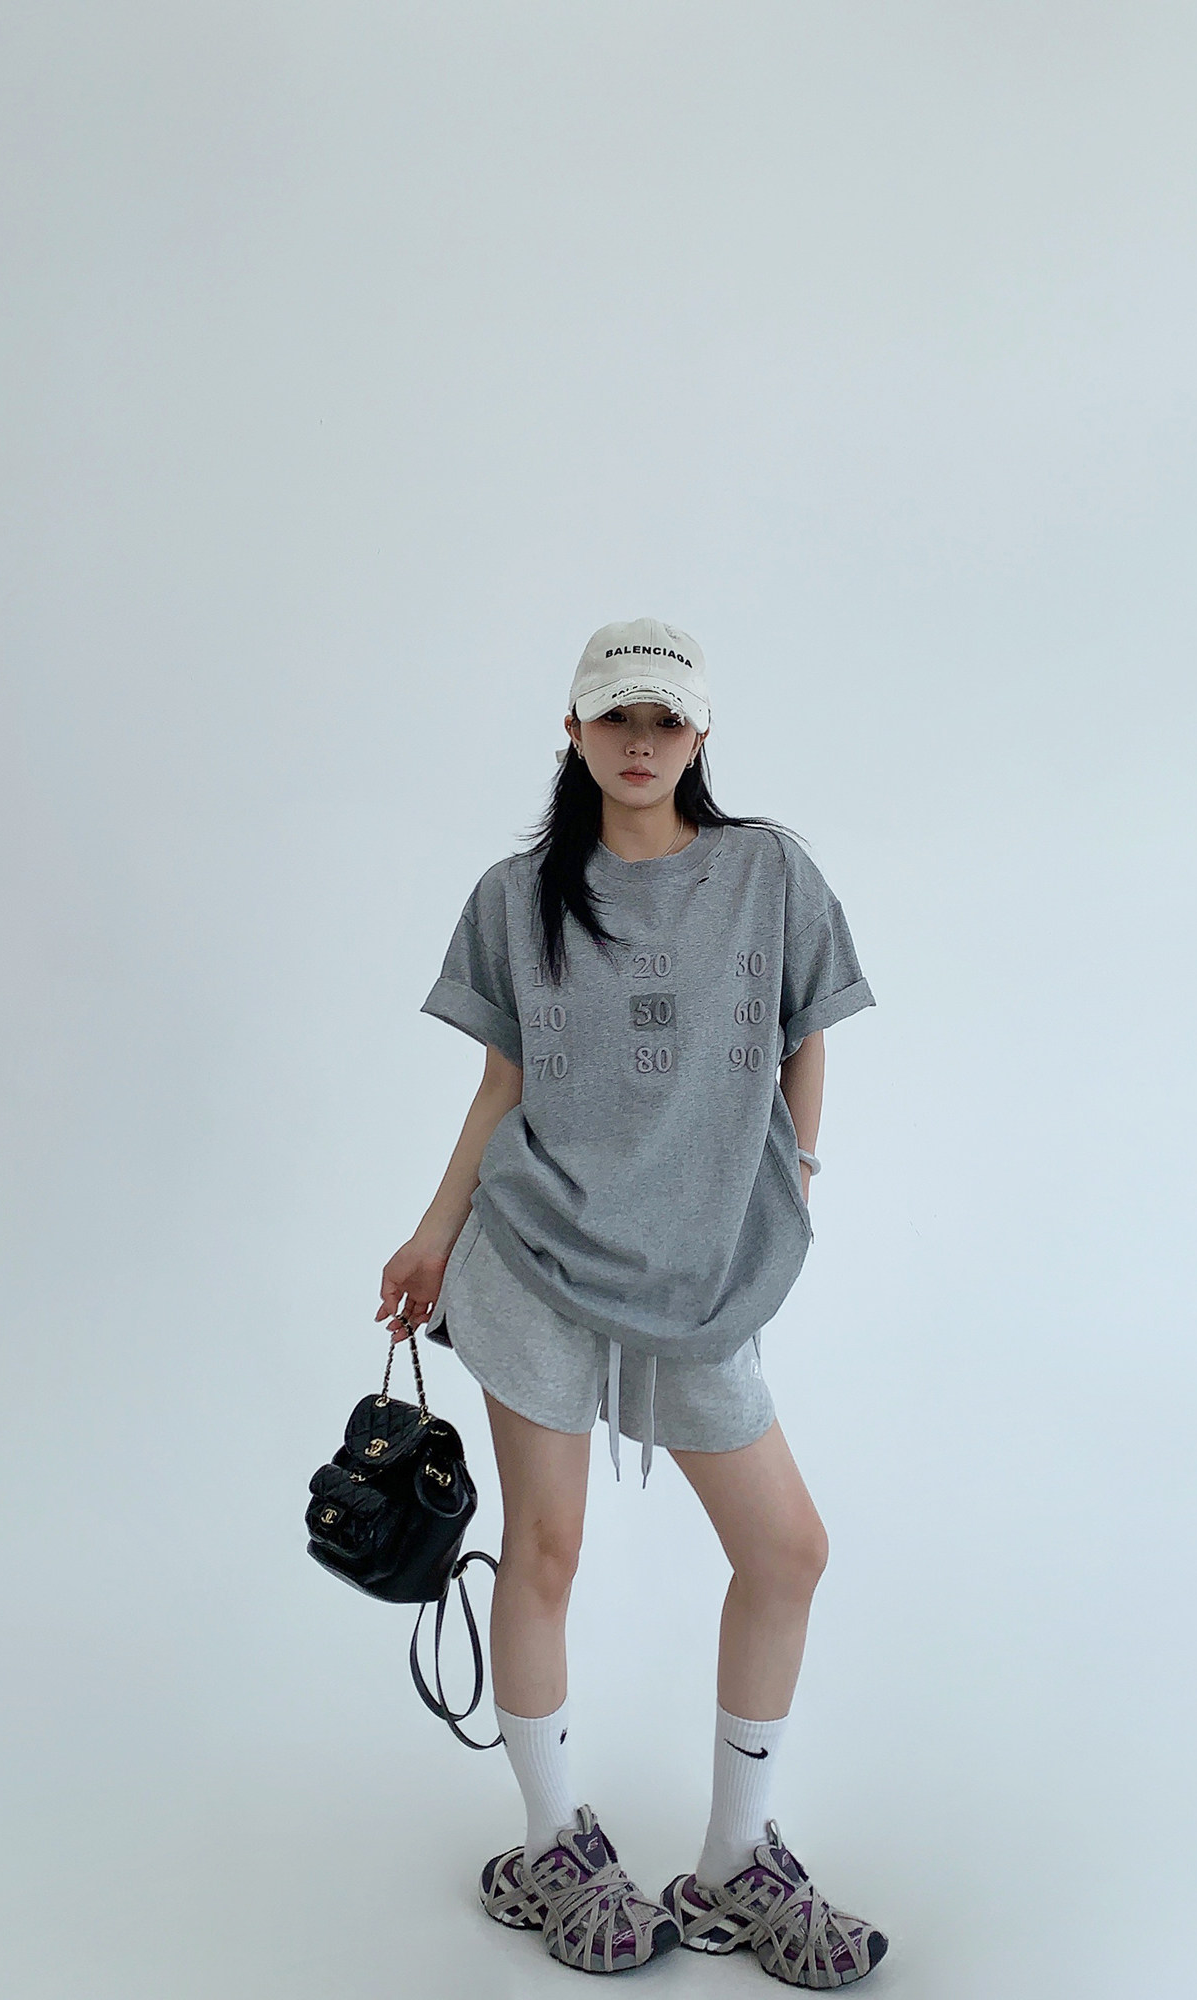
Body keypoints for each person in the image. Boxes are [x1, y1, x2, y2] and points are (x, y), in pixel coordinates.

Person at [377, 618, 888, 1985]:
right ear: (575, 729)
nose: (642, 742)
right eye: (618, 718)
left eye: (665, 720)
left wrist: (790, 1182)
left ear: (702, 732)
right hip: (532, 1254)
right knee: (545, 1554)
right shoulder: (518, 896)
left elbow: (804, 1034)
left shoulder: (766, 873)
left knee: (786, 1552)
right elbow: (504, 1083)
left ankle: (735, 1862)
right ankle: (552, 1844)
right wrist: (432, 1233)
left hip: (696, 1273)